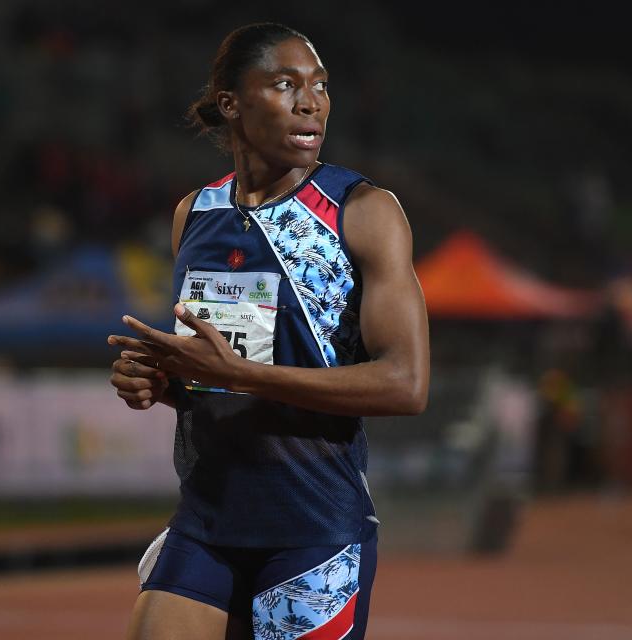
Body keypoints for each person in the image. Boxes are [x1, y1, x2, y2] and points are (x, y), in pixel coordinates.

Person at [108, 22, 429, 640]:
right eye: (286, 85)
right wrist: (161, 379)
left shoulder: (363, 213)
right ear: (232, 103)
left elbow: (406, 384)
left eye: (320, 86)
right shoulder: (195, 214)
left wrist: (241, 375)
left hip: (311, 531)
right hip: (207, 521)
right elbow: (224, 377)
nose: (312, 103)